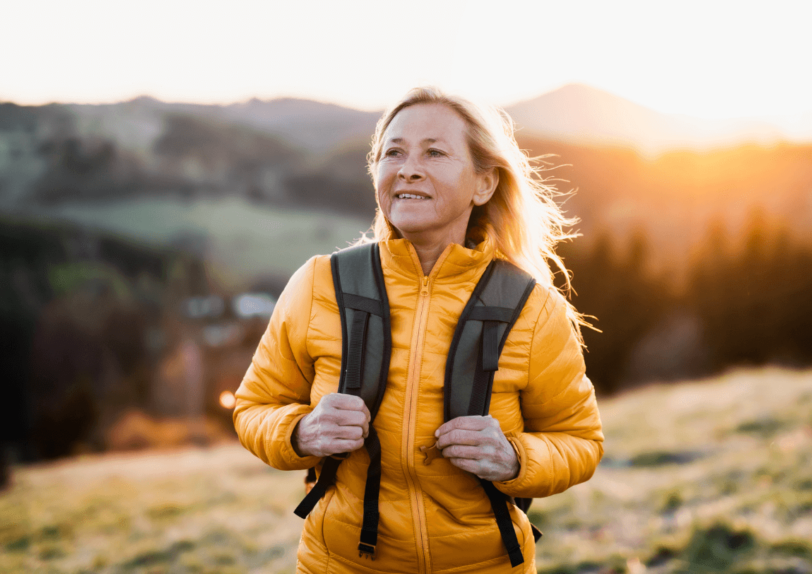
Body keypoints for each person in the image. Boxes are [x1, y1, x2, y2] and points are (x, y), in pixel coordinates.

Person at [234, 87, 604, 573]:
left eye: (434, 152)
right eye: (394, 152)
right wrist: (301, 431)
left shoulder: (531, 309)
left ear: (484, 184)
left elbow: (580, 441)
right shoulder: (321, 282)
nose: (407, 167)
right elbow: (253, 407)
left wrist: (514, 458)